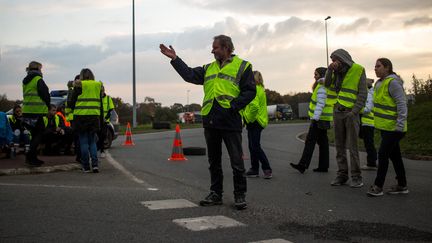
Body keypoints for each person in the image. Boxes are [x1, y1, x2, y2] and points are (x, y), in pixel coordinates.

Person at [160, 35, 256, 210]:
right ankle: (215, 194)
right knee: (214, 161)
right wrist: (175, 59)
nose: (212, 51)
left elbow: (250, 92)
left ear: (226, 47)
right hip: (210, 119)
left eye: (216, 47)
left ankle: (240, 195)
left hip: (230, 120)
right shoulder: (208, 68)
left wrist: (233, 107)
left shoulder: (243, 66)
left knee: (236, 161)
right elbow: (189, 74)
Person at [324, 49, 367, 188]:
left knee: (353, 147)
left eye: (335, 60)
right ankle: (342, 175)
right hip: (337, 112)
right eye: (332, 60)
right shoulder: (335, 72)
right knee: (339, 146)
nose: (333, 63)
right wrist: (330, 70)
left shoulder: (358, 70)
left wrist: (354, 112)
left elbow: (362, 94)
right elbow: (327, 84)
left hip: (351, 113)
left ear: (342, 59)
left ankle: (356, 177)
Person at [367, 58, 408, 197]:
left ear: (387, 67)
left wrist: (400, 124)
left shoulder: (393, 83)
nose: (375, 68)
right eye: (375, 66)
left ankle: (378, 186)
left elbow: (402, 104)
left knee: (383, 154)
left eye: (378, 66)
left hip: (394, 129)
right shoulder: (379, 83)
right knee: (395, 156)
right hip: (386, 128)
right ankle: (402, 185)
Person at [290, 67, 336, 173]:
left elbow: (320, 104)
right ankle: (323, 166)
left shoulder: (321, 87)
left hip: (319, 118)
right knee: (323, 142)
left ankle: (303, 165)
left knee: (310, 141)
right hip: (324, 118)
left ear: (322, 75)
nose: (314, 76)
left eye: (316, 74)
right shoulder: (325, 85)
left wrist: (315, 118)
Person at [69, 68, 102, 173]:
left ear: (82, 76)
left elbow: (71, 103)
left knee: (83, 142)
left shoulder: (79, 85)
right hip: (94, 116)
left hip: (81, 117)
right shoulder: (98, 85)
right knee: (92, 142)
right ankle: (95, 165)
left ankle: (86, 166)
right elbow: (100, 101)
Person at [243, 70, 272, 179]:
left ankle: (267, 168)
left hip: (255, 121)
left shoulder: (254, 89)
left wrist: (248, 119)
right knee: (252, 146)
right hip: (258, 121)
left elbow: (254, 107)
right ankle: (254, 169)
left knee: (255, 146)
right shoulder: (260, 89)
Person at [22, 61, 50, 166]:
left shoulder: (25, 80)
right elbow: (45, 94)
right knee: (39, 134)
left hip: (27, 111)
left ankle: (33, 158)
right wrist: (48, 104)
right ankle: (30, 156)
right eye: (40, 68)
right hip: (37, 112)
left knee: (34, 135)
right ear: (38, 69)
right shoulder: (38, 79)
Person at [359, 78, 377, 170]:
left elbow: (368, 109)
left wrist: (357, 109)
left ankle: (371, 163)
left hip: (368, 123)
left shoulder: (370, 94)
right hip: (366, 123)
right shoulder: (369, 92)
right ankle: (372, 160)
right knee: (368, 143)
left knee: (369, 143)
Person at [97, 86, 115, 158]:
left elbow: (111, 110)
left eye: (102, 91)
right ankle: (98, 150)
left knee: (103, 135)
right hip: (97, 120)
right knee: (97, 136)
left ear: (104, 90)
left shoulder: (108, 98)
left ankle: (102, 150)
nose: (101, 92)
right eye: (100, 91)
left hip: (105, 121)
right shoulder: (97, 99)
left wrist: (106, 117)